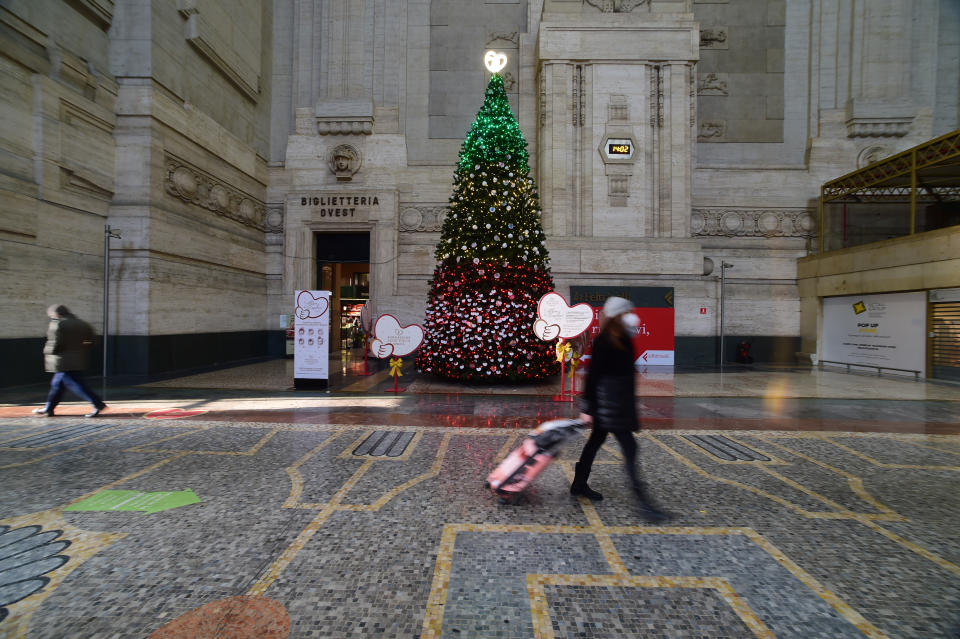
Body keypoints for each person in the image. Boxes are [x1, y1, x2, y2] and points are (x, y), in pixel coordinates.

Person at [570, 296, 670, 523]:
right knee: (630, 449)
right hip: (610, 406)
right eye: (627, 312)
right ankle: (644, 503)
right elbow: (593, 375)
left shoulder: (623, 337)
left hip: (616, 404)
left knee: (595, 442)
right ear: (619, 315)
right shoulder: (605, 340)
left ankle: (578, 484)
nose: (632, 315)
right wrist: (587, 406)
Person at [32, 305, 107, 418]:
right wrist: (81, 349)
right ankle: (49, 408)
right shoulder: (82, 324)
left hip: (63, 360)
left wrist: (47, 351)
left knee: (76, 384)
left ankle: (98, 404)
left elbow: (55, 343)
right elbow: (92, 341)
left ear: (56, 314)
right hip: (78, 359)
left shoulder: (58, 324)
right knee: (57, 385)